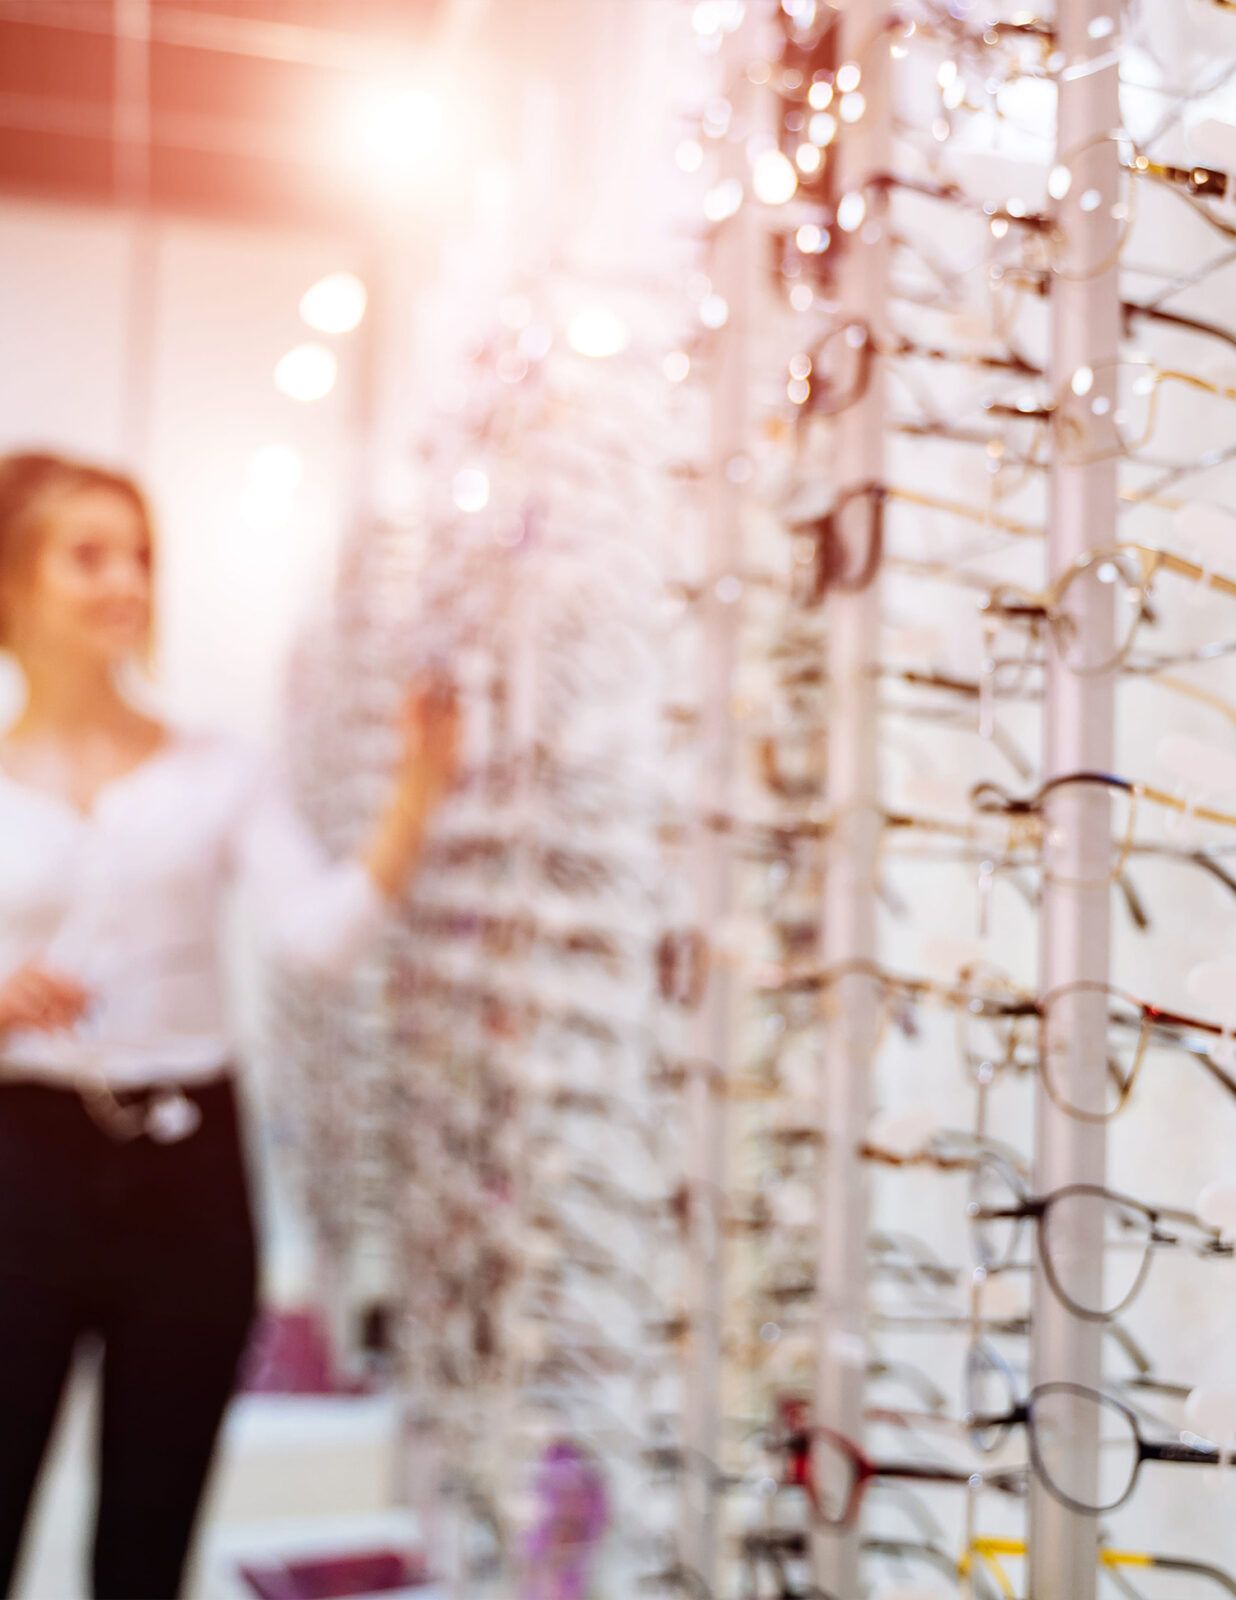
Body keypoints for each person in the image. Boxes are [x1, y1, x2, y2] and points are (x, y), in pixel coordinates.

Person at [0, 451, 459, 1599]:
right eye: (88, 555)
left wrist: (415, 794)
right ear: (13, 581)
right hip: (20, 1170)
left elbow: (317, 935)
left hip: (187, 1175)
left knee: (148, 1542)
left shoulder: (219, 768)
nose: (126, 583)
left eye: (142, 556)